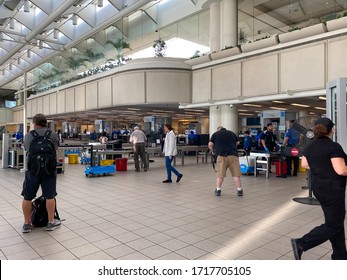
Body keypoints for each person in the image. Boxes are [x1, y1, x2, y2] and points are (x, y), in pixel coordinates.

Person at [291, 117, 347, 260]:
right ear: (331, 130)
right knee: (333, 224)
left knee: (335, 221)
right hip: (333, 189)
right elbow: (341, 170)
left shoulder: (309, 146)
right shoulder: (333, 146)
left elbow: (304, 164)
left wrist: (322, 167)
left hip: (319, 187)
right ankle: (302, 243)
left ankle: (340, 256)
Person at [21, 114, 61, 233]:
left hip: (33, 170)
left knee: (27, 197)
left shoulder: (29, 135)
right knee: (50, 196)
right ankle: (50, 222)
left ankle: (27, 224)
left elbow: (27, 150)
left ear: (34, 123)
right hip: (49, 170)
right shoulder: (52, 134)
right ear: (45, 123)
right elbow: (55, 149)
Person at [208, 126, 243, 197]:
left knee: (220, 175)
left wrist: (212, 151)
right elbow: (238, 142)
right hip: (233, 156)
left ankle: (218, 190)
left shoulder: (215, 134)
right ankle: (239, 190)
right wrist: (232, 146)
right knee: (236, 174)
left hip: (221, 156)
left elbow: (210, 144)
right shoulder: (232, 133)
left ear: (218, 130)